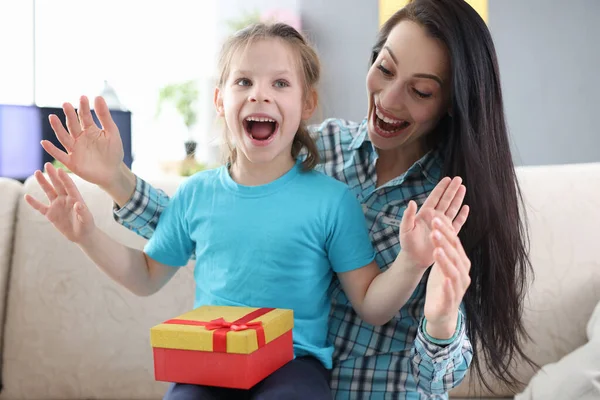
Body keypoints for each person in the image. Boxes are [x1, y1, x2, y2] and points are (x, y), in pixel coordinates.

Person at [38, 0, 534, 398]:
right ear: (219, 98)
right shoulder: (308, 152)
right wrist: (113, 183)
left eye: (421, 91)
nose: (388, 99)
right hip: (216, 362)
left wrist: (432, 299)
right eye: (385, 69)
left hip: (346, 382)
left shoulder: (445, 201)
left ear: (451, 105)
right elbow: (210, 228)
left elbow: (415, 351)